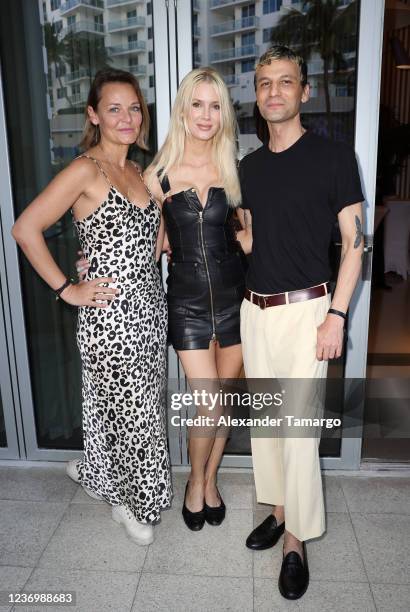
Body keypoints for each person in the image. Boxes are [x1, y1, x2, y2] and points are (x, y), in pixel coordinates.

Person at [12, 69, 172, 546]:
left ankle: (97, 471)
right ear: (93, 115)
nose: (127, 117)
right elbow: (25, 229)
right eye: (114, 108)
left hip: (150, 312)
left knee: (122, 410)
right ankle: (133, 503)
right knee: (135, 415)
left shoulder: (143, 171)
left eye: (134, 107)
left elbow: (153, 238)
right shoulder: (86, 169)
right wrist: (68, 289)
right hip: (109, 319)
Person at [236, 46, 364, 600]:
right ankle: (281, 509)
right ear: (258, 96)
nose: (274, 92)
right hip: (254, 312)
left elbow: (356, 246)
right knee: (268, 428)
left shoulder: (335, 158)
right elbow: (251, 235)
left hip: (309, 311)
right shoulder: (249, 166)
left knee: (299, 432)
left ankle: (296, 541)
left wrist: (336, 315)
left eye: (285, 82)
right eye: (265, 84)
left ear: (304, 92)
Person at [146, 67, 245, 530]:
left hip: (235, 301)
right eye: (197, 104)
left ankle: (208, 481)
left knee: (223, 401)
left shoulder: (234, 167)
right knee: (207, 401)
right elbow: (146, 244)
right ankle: (192, 481)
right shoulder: (158, 176)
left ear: (223, 112)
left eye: (215, 105)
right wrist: (92, 263)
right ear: (183, 110)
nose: (206, 115)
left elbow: (249, 237)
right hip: (185, 304)